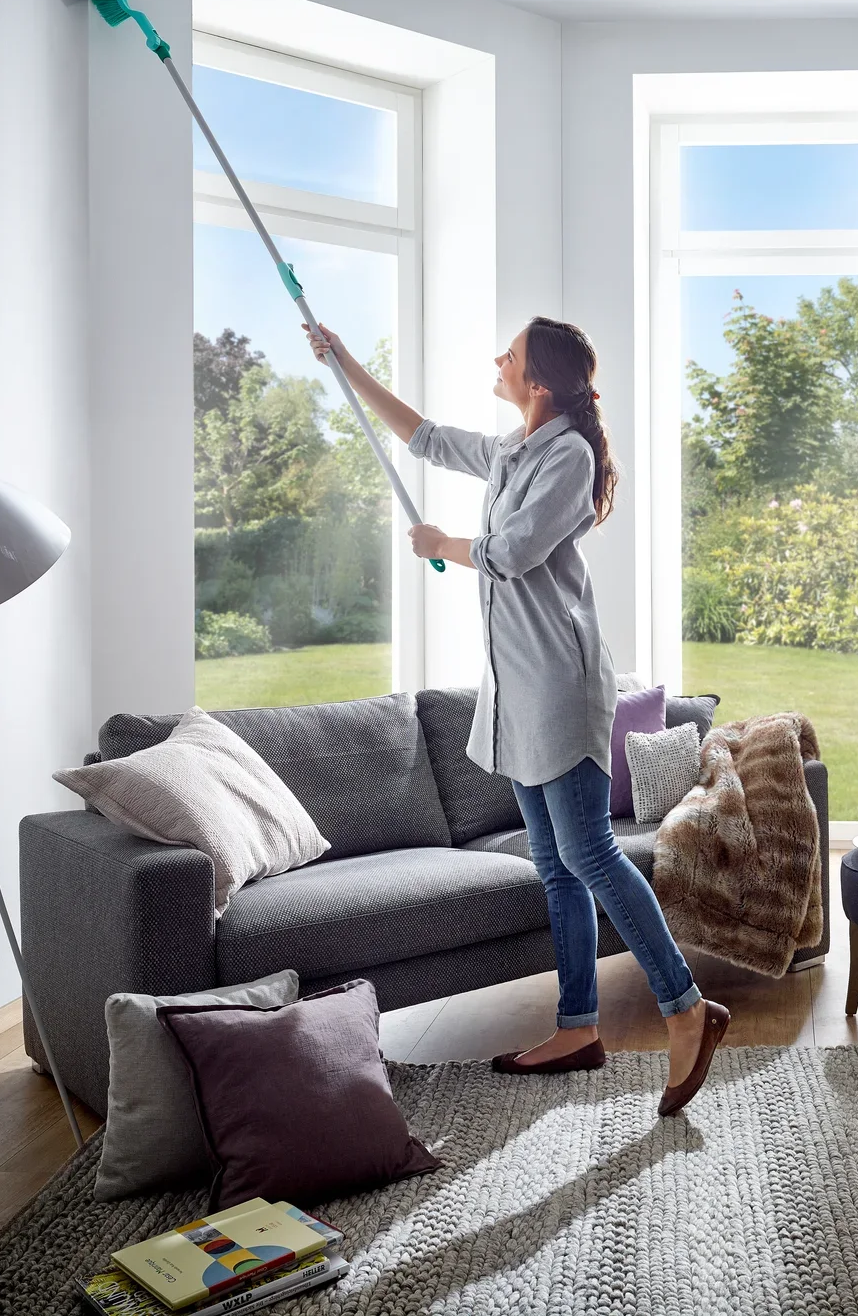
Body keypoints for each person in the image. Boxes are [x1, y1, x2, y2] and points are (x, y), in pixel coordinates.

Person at [304, 315, 728, 1117]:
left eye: (513, 354)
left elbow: (513, 550)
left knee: (591, 853)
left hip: (561, 687)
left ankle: (686, 1007)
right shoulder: (512, 449)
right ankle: (577, 1027)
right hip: (518, 694)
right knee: (555, 866)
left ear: (539, 383)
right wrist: (345, 362)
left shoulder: (568, 457)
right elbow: (426, 438)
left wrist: (445, 543)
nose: (498, 359)